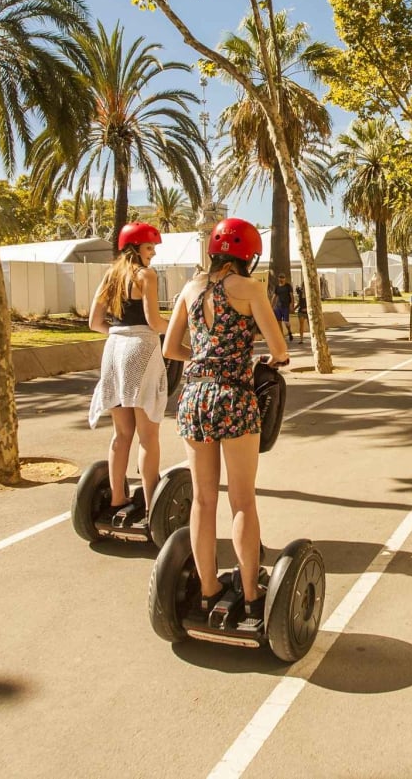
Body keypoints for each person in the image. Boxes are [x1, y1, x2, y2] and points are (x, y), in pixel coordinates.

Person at [163, 218, 290, 621]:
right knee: (242, 500)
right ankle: (251, 593)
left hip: (193, 396)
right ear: (248, 256)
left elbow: (171, 347)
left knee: (202, 498)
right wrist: (269, 360)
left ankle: (207, 588)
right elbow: (279, 349)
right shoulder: (249, 289)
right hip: (234, 396)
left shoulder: (189, 288)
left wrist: (203, 359)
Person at [88, 222, 169, 527]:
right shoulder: (145, 275)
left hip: (114, 349)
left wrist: (119, 332)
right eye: (150, 247)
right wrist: (182, 329)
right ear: (135, 248)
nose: (153, 253)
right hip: (141, 348)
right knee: (148, 435)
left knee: (122, 433)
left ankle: (117, 499)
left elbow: (94, 322)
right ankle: (150, 506)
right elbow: (153, 321)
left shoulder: (110, 276)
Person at [271, 273, 294, 342]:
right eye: (280, 277)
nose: (281, 279)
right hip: (278, 307)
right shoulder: (277, 287)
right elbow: (274, 296)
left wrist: (291, 305)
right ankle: (282, 337)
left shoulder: (288, 286)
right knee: (279, 322)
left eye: (283, 277)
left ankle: (289, 332)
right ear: (278, 278)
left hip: (286, 307)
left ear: (285, 278)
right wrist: (271, 306)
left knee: (286, 322)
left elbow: (291, 296)